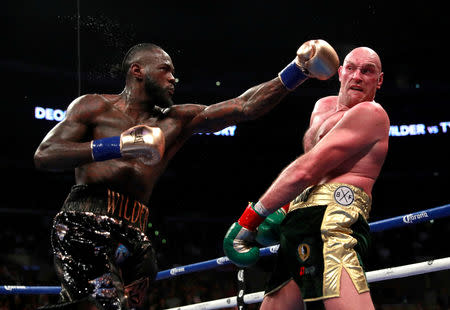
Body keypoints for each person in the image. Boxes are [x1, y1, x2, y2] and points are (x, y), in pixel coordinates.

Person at [34, 40, 339, 310]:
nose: (173, 78)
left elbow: (243, 107)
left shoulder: (177, 121)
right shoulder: (94, 106)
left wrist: (298, 71)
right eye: (165, 70)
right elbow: (46, 154)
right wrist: (119, 145)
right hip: (86, 222)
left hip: (135, 236)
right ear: (138, 71)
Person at [223, 46, 388, 310]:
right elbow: (313, 177)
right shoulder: (321, 107)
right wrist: (285, 209)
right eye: (352, 68)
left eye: (367, 71)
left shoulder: (372, 114)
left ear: (378, 80)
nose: (357, 76)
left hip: (333, 222)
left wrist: (252, 218)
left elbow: (306, 169)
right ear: (340, 72)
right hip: (297, 223)